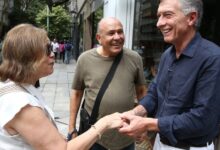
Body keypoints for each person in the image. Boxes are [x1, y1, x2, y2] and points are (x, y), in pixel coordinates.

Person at [0, 23, 123, 150]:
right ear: (29, 57)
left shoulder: (14, 86)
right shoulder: (20, 104)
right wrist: (103, 124)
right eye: (48, 49)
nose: (53, 54)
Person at [119, 0, 220, 149]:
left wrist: (148, 124)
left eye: (167, 15)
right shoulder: (168, 54)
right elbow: (154, 93)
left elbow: (203, 119)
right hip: (161, 140)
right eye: (159, 16)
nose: (159, 23)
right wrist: (135, 112)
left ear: (191, 18)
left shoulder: (213, 58)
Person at [68, 17, 146, 150]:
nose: (117, 37)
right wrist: (71, 128)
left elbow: (142, 93)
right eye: (111, 33)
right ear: (99, 38)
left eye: (120, 32)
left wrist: (143, 124)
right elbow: (76, 94)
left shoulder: (134, 58)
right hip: (95, 137)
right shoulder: (85, 59)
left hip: (125, 136)